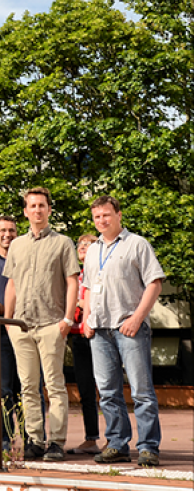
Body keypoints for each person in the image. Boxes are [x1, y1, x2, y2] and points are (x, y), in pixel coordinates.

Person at [82, 195, 164, 467]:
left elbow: (154, 283)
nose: (102, 221)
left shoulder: (137, 244)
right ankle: (117, 444)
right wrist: (87, 319)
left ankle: (148, 447)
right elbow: (88, 287)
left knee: (141, 390)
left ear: (118, 214)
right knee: (107, 391)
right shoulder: (93, 249)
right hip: (100, 330)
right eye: (97, 217)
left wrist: (137, 318)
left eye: (106, 215)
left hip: (129, 328)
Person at [3, 187, 79, 462]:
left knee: (55, 386)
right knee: (27, 386)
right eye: (32, 206)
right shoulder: (16, 245)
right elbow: (11, 284)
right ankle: (34, 440)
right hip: (21, 326)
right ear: (25, 211)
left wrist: (67, 319)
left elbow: (72, 281)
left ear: (48, 209)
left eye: (41, 205)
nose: (37, 210)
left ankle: (56, 442)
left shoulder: (63, 243)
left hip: (51, 324)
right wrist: (9, 323)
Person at [0, 215, 22, 450]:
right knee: (4, 389)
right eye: (2, 230)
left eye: (11, 230)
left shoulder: (26, 258)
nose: (7, 234)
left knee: (28, 388)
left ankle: (31, 439)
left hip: (25, 329)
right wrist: (5, 311)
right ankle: (5, 439)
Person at [68, 233, 101, 455]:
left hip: (99, 335)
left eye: (89, 244)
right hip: (77, 337)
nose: (83, 247)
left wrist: (82, 302)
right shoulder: (73, 276)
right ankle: (91, 438)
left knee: (107, 388)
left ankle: (116, 439)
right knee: (85, 389)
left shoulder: (100, 273)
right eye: (80, 245)